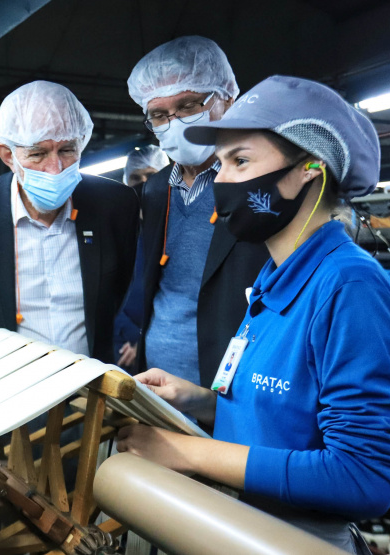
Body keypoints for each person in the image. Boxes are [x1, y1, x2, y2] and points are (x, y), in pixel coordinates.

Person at [116, 76, 390, 553]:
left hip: (295, 539)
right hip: (243, 526)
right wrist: (197, 399)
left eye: (241, 161)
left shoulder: (348, 286)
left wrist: (187, 453)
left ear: (309, 171)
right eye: (220, 163)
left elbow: (363, 477)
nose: (222, 180)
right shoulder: (274, 281)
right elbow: (287, 419)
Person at [0, 81, 138, 362]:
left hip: (88, 386)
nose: (54, 169)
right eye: (38, 154)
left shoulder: (114, 206)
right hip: (3, 387)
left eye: (67, 150)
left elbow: (118, 293)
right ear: (8, 155)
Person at [127, 36, 270, 386]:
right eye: (159, 115)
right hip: (157, 382)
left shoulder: (258, 182)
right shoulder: (156, 189)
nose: (173, 123)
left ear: (228, 99)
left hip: (233, 384)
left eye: (188, 106)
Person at [114, 145, 169, 368]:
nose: (144, 183)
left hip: (159, 341)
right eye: (136, 177)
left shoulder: (171, 230)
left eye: (151, 176)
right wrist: (130, 333)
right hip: (119, 341)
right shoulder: (118, 230)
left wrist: (144, 338)